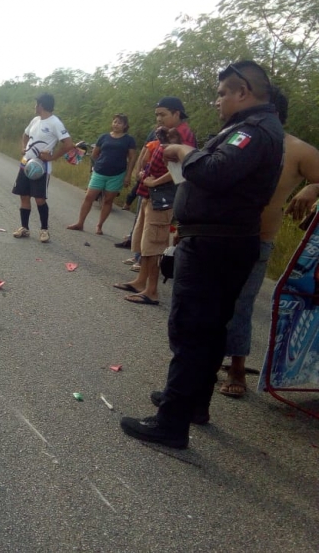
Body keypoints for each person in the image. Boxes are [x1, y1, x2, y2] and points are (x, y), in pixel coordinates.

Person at [120, 60, 285, 448]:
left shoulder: (253, 132)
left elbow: (215, 171)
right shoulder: (250, 129)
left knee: (192, 330)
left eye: (223, 93)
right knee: (208, 331)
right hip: (218, 241)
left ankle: (171, 422)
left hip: (215, 244)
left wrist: (182, 150)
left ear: (242, 92)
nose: (217, 101)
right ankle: (192, 403)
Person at [221, 88, 319, 398]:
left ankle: (237, 367)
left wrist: (313, 188)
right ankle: (205, 360)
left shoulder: (297, 150)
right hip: (214, 236)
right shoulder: (233, 138)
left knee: (240, 305)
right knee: (207, 303)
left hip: (256, 240)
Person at [112, 97, 196, 305]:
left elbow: (181, 171)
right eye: (157, 114)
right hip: (151, 193)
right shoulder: (166, 132)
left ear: (177, 114)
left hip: (163, 196)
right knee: (145, 241)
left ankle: (152, 291)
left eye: (163, 114)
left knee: (155, 243)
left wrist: (154, 182)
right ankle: (141, 281)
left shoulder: (184, 135)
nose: (158, 118)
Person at [11, 93, 75, 243]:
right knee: (24, 196)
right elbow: (25, 135)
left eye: (36, 104)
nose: (35, 106)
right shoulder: (35, 120)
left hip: (41, 167)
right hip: (26, 163)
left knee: (39, 199)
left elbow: (68, 144)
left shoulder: (55, 123)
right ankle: (24, 228)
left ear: (41, 105)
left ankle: (44, 230)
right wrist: (23, 147)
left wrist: (52, 157)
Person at [67, 114, 136, 235]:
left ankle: (99, 225)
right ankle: (80, 223)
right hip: (99, 171)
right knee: (89, 197)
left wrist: (128, 175)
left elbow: (132, 158)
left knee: (108, 201)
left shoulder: (129, 140)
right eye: (115, 122)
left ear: (125, 125)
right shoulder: (104, 137)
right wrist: (99, 164)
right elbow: (95, 154)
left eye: (119, 123)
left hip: (117, 174)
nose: (116, 124)